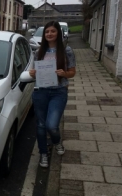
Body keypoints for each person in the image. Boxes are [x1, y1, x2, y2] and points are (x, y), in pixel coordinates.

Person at [29, 21, 76, 168]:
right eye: (47, 32)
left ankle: (56, 141)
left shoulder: (67, 50)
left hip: (58, 91)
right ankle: (43, 153)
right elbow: (34, 74)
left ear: (58, 33)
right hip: (41, 91)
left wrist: (64, 73)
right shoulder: (38, 52)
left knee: (52, 125)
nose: (49, 34)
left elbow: (72, 72)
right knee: (41, 126)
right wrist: (32, 73)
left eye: (53, 31)